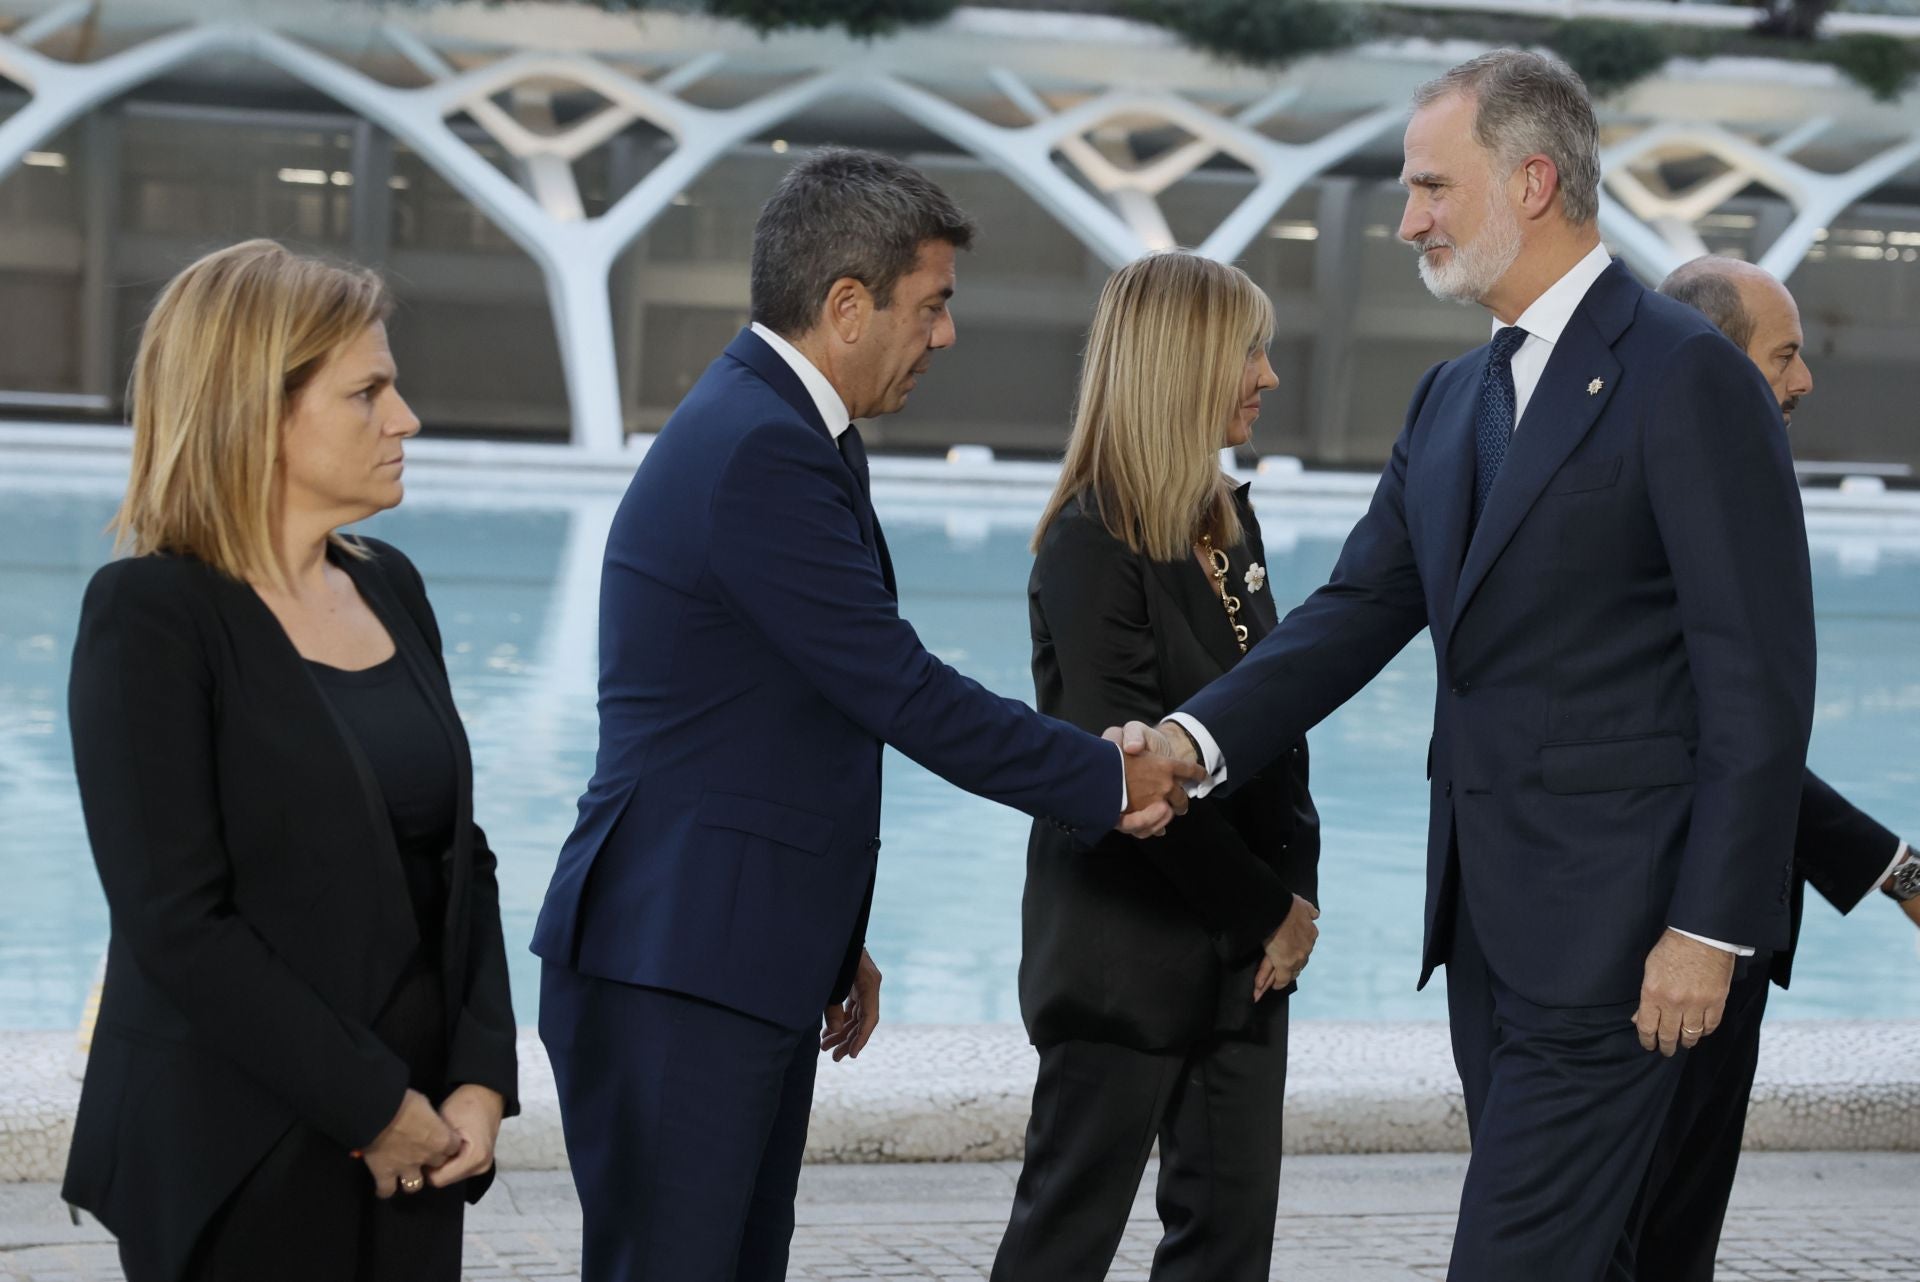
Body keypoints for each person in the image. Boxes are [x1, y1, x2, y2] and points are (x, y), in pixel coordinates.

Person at [1122, 51, 1817, 1279]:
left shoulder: (1688, 377)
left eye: (1433, 187)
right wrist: (1191, 743)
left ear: (1534, 179)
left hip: (1630, 938)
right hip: (1492, 939)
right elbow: (1352, 612)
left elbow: (1758, 677)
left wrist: (1711, 926)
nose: (1408, 220)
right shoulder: (1450, 401)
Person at [529, 147, 1201, 1282]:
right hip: (676, 962)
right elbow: (895, 684)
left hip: (734, 947)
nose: (945, 336)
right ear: (847, 304)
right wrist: (1106, 778)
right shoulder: (760, 448)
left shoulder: (793, 429)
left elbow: (775, 722)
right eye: (931, 306)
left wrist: (829, 930)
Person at [62, 240, 518, 1281]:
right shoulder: (151, 617)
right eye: (369, 392)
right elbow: (177, 922)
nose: (404, 419)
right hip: (242, 1150)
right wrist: (373, 1106)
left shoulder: (391, 585)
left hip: (415, 1147)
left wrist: (481, 1080)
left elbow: (463, 860)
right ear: (256, 412)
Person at [991, 251, 1322, 1282]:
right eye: (1250, 352)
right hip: (1125, 961)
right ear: (1183, 364)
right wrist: (1269, 906)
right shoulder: (1089, 545)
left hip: (1246, 967)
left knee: (1227, 1255)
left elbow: (1277, 732)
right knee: (1062, 1249)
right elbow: (1131, 780)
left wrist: (1294, 897)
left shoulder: (1227, 522)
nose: (1269, 376)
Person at [1628, 254, 1920, 1282]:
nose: (1801, 383)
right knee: (1654, 1224)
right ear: (1713, 363)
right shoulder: (1669, 504)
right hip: (1672, 935)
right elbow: (1727, 743)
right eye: (1785, 354)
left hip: (1704, 932)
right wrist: (1900, 872)